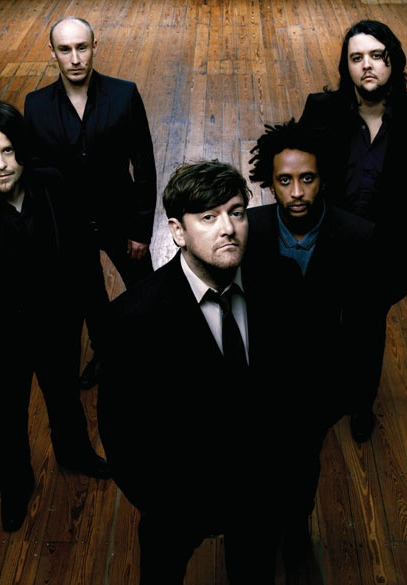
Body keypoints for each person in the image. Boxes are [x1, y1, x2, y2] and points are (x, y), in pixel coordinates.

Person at [97, 160, 293, 584]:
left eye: (236, 212)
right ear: (177, 231)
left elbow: (298, 386)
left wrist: (282, 476)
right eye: (208, 217)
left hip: (260, 493)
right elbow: (120, 431)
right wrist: (159, 501)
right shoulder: (132, 319)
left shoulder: (281, 282)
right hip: (177, 501)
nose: (228, 228)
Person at [0, 101, 112, 534]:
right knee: (8, 419)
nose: (2, 164)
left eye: (8, 150)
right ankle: (15, 487)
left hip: (57, 328)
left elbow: (80, 254)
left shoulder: (51, 183)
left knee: (65, 398)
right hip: (1, 344)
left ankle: (74, 454)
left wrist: (82, 314)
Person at [248, 118, 377, 570]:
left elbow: (363, 326)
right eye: (285, 181)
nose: (297, 192)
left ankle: (297, 528)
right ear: (270, 183)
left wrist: (346, 394)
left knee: (304, 462)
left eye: (307, 179)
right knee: (260, 461)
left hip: (318, 384)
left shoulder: (356, 236)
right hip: (261, 379)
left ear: (323, 180)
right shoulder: (249, 231)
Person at [298, 19, 407, 443]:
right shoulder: (321, 109)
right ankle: (319, 394)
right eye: (356, 58)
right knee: (320, 325)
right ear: (346, 66)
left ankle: (360, 403)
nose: (367, 65)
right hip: (328, 247)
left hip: (386, 255)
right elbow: (299, 173)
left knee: (367, 332)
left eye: (376, 56)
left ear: (393, 62)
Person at [24, 16, 157, 390]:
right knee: (90, 299)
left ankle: (156, 351)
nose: (75, 58)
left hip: (122, 219)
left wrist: (141, 230)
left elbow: (144, 165)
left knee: (146, 289)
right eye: (65, 49)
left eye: (82, 47)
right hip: (70, 226)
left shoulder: (124, 94)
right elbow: (34, 173)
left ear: (94, 46)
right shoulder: (35, 105)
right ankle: (106, 354)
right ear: (52, 52)